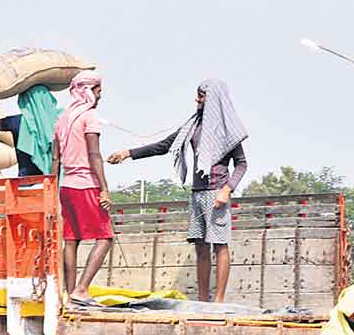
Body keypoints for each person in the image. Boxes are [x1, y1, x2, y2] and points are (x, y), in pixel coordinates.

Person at [107, 80, 248, 302]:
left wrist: (227, 189)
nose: (197, 100)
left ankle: (219, 300)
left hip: (217, 192)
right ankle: (203, 299)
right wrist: (128, 153)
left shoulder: (226, 130)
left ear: (212, 99)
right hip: (197, 192)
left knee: (220, 245)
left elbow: (241, 164)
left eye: (201, 96)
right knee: (201, 246)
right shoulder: (192, 126)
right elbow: (163, 146)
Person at [52, 72, 113, 306]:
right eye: (98, 91)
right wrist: (104, 189)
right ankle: (81, 289)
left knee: (71, 239)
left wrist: (53, 190)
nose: (100, 96)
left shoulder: (62, 119)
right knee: (105, 237)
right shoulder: (89, 116)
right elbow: (94, 154)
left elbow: (56, 160)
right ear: (89, 91)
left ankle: (69, 296)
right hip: (86, 185)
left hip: (66, 187)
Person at [0, 70, 59, 176]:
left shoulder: (17, 122)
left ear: (25, 101)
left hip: (26, 183)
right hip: (56, 180)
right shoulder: (61, 121)